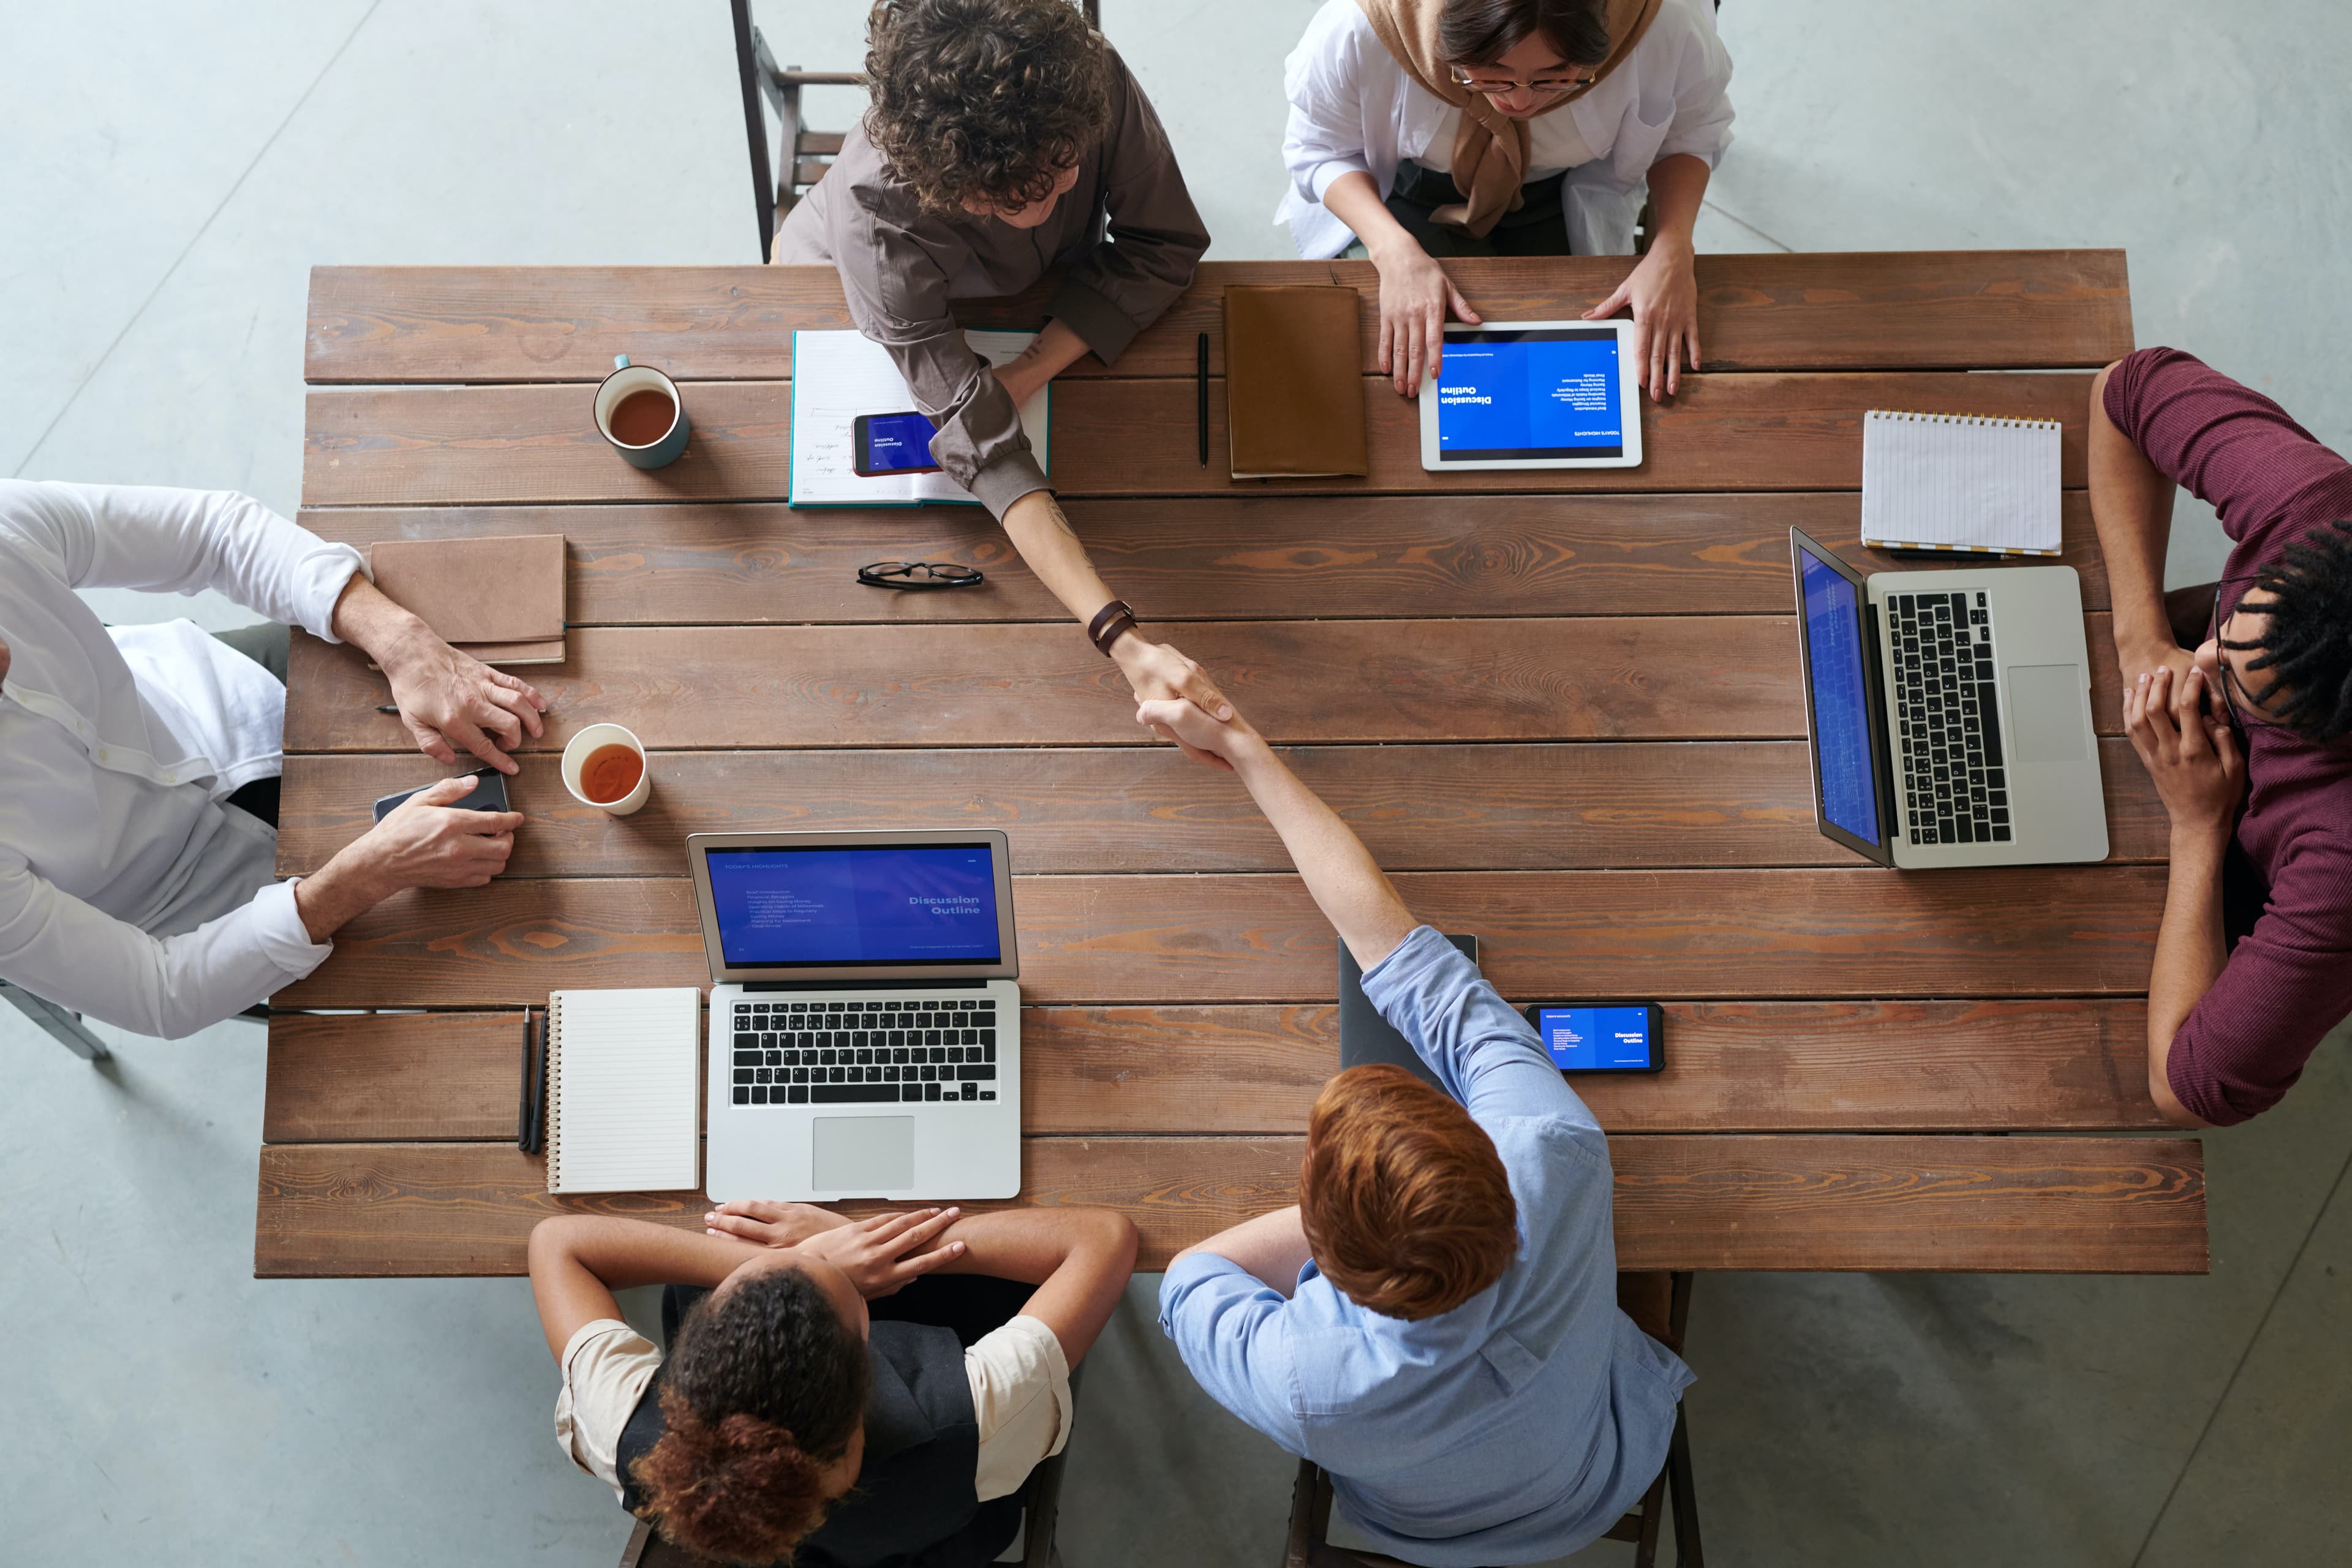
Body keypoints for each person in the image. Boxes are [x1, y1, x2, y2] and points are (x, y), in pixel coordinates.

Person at [1137, 691, 1691, 1563]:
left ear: (1321, 1258)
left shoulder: (1304, 1381)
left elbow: (1191, 1278)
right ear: (1486, 1158)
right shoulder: (1550, 1149)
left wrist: (1241, 745)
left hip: (1421, 1532)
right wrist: (1244, 742)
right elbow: (1408, 961)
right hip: (1599, 1472)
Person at [777, 0, 1230, 732]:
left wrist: (1027, 370)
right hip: (852, 286)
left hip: (1032, 299)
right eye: (1039, 193)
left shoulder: (1077, 80)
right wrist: (1118, 635)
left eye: (1069, 166)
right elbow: (982, 446)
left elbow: (1165, 241)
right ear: (957, 193)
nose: (1071, 188)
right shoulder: (876, 222)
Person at [0, 479, 544, 1039]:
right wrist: (370, 873)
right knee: (473, 982)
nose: (6, 656)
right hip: (208, 913)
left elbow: (214, 534)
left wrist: (401, 643)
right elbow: (159, 993)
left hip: (224, 691)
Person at [529, 1199, 1136, 1566]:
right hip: (936, 1543)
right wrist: (886, 1242)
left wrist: (815, 1258)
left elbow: (557, 1242)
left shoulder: (626, 1432)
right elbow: (1105, 1237)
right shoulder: (979, 1418)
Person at [2088, 347, 2352, 1127]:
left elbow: (2186, 1089)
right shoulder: (2314, 503)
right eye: (2229, 631)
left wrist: (2199, 824)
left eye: (2238, 685)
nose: (2202, 659)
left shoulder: (2339, 858)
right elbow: (2124, 387)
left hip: (2223, 840)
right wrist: (2141, 640)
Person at [1279, 0, 1733, 401]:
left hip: (1562, 188)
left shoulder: (1663, 22)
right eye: (1492, 78)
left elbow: (1688, 135)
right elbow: (1321, 149)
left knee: (1577, 360)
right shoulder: (1361, 28)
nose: (1519, 102)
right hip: (1412, 190)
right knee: (1433, 364)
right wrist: (1393, 251)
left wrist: (1673, 245)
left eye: (1554, 80)